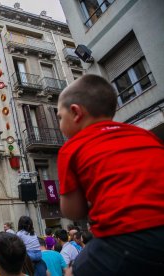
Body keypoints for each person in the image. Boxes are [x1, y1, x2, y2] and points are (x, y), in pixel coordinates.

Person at [57, 74, 164, 275]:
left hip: (125, 238)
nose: (60, 124)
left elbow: (73, 211)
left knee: (71, 272)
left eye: (60, 117)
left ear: (76, 112)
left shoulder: (72, 148)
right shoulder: (143, 134)